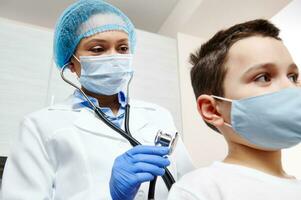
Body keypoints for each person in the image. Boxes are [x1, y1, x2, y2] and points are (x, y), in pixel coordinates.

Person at [1, 0, 194, 199]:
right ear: (72, 64)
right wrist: (111, 195)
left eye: (122, 48)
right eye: (97, 49)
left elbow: (190, 186)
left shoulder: (158, 115)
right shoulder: (39, 125)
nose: (114, 57)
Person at [168, 19, 301, 200]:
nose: (291, 88)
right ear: (212, 110)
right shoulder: (199, 190)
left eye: (293, 77)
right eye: (263, 77)